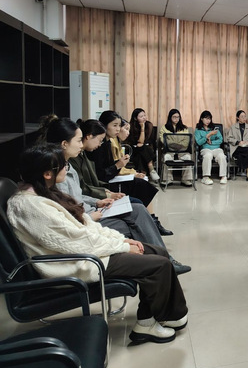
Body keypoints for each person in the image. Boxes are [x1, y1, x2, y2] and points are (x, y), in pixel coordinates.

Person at [7, 144, 189, 344]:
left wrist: (121, 240)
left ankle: (153, 318)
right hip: (75, 263)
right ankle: (153, 323)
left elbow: (85, 227)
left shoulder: (44, 193)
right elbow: (75, 242)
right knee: (158, 265)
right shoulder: (30, 206)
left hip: (82, 254)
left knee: (157, 251)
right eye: (62, 165)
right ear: (47, 174)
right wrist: (122, 247)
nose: (67, 168)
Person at [42, 116, 190, 275]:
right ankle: (161, 262)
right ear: (64, 144)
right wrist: (91, 214)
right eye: (78, 141)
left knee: (138, 209)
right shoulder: (57, 173)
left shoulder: (67, 166)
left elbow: (78, 195)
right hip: (87, 219)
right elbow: (67, 212)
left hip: (91, 211)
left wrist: (97, 202)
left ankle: (163, 261)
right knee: (136, 221)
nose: (81, 144)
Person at [73, 118, 173, 237]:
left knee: (140, 190)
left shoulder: (91, 150)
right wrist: (106, 194)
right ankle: (152, 227)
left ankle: (153, 225)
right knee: (138, 198)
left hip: (100, 189)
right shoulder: (83, 155)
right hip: (101, 190)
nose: (118, 129)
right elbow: (89, 184)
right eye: (115, 125)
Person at [158, 109, 194, 187]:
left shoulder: (184, 128)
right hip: (169, 149)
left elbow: (186, 141)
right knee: (167, 157)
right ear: (170, 117)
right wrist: (174, 144)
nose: (176, 119)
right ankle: (167, 179)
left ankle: (186, 179)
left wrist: (175, 143)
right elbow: (163, 140)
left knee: (187, 156)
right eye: (174, 117)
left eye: (178, 117)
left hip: (182, 149)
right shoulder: (164, 128)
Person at [126, 108, 160, 182]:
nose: (144, 118)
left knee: (142, 148)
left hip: (148, 149)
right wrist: (142, 128)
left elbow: (142, 142)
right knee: (140, 150)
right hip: (134, 150)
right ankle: (151, 168)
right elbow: (137, 142)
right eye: (141, 116)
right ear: (135, 118)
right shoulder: (131, 126)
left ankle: (143, 175)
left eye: (144, 115)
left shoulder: (149, 125)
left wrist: (143, 128)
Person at [195, 110, 227, 185]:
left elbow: (220, 140)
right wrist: (208, 136)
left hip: (216, 148)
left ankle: (223, 176)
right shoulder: (198, 130)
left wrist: (212, 142)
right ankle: (205, 177)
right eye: (206, 118)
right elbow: (199, 142)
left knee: (222, 156)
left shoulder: (214, 129)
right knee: (208, 155)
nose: (208, 121)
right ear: (201, 119)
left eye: (209, 119)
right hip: (205, 148)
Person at [227, 110, 248, 182]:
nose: (244, 118)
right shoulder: (233, 127)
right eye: (242, 117)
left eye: (245, 116)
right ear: (237, 118)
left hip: (247, 148)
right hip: (236, 148)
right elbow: (229, 138)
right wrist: (238, 142)